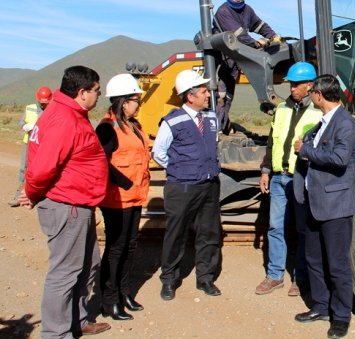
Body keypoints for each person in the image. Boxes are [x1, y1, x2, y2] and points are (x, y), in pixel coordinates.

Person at [18, 66, 111, 338]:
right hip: (67, 205)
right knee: (65, 273)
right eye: (97, 91)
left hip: (78, 204)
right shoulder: (64, 120)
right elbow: (42, 168)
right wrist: (32, 193)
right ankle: (57, 333)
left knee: (88, 265)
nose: (99, 95)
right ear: (82, 93)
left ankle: (77, 320)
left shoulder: (68, 113)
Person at [292, 74, 355, 339]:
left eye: (312, 92)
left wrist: (304, 151)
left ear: (320, 95)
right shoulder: (322, 123)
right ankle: (321, 306)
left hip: (335, 206)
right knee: (314, 259)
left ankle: (341, 316)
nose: (310, 96)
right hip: (314, 202)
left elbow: (340, 158)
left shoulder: (344, 122)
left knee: (338, 264)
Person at [152, 69, 222, 300]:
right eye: (203, 91)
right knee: (176, 233)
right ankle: (169, 279)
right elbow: (159, 152)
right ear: (190, 96)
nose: (207, 94)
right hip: (182, 187)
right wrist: (180, 168)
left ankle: (205, 278)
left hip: (209, 185)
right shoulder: (173, 120)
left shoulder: (211, 118)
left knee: (209, 233)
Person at [255, 62, 322, 297]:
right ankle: (274, 276)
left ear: (310, 85)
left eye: (296, 84)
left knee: (303, 229)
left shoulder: (319, 112)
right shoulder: (282, 108)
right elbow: (272, 141)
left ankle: (300, 278)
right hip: (278, 177)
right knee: (275, 227)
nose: (291, 88)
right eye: (290, 84)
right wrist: (265, 171)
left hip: (301, 179)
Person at [95, 74, 150, 321]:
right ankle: (110, 301)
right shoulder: (107, 127)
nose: (138, 104)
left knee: (129, 247)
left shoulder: (134, 126)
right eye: (135, 100)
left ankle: (125, 293)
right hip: (116, 200)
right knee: (116, 249)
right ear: (122, 101)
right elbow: (101, 162)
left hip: (136, 197)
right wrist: (125, 182)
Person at [213, 0, 282, 132]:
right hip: (223, 63)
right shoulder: (223, 12)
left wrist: (272, 35)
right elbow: (239, 35)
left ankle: (221, 128)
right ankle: (215, 133)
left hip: (235, 62)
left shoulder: (247, 10)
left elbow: (258, 24)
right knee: (220, 97)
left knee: (228, 97)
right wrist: (257, 43)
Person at [9, 86, 52, 207]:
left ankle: (42, 197)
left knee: (44, 169)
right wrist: (26, 127)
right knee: (24, 168)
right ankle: (19, 196)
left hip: (45, 145)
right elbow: (21, 123)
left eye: (46, 103)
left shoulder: (53, 109)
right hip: (29, 142)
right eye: (42, 103)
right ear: (38, 99)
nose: (44, 105)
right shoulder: (30, 109)